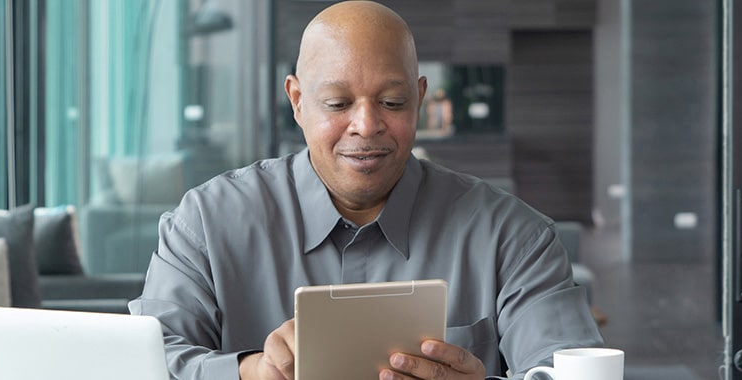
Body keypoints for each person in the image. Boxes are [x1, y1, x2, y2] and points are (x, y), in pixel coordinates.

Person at [128, 1, 603, 379]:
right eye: (337, 103)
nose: (367, 125)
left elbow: (570, 368)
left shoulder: (513, 235)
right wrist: (249, 371)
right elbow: (145, 364)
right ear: (297, 101)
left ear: (419, 98)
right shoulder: (206, 223)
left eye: (392, 102)